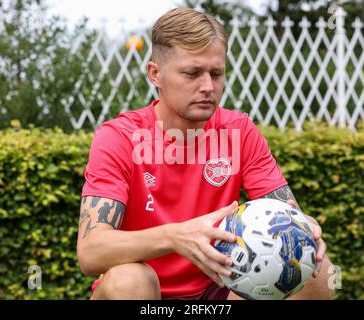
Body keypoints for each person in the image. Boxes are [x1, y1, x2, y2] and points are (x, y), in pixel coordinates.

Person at [77, 7, 334, 300]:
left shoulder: (239, 130)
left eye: (216, 73)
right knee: (129, 279)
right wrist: (175, 236)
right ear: (155, 74)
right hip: (147, 294)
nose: (208, 87)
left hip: (219, 293)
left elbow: (288, 215)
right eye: (192, 73)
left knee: (319, 272)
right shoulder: (119, 136)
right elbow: (90, 251)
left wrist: (304, 228)